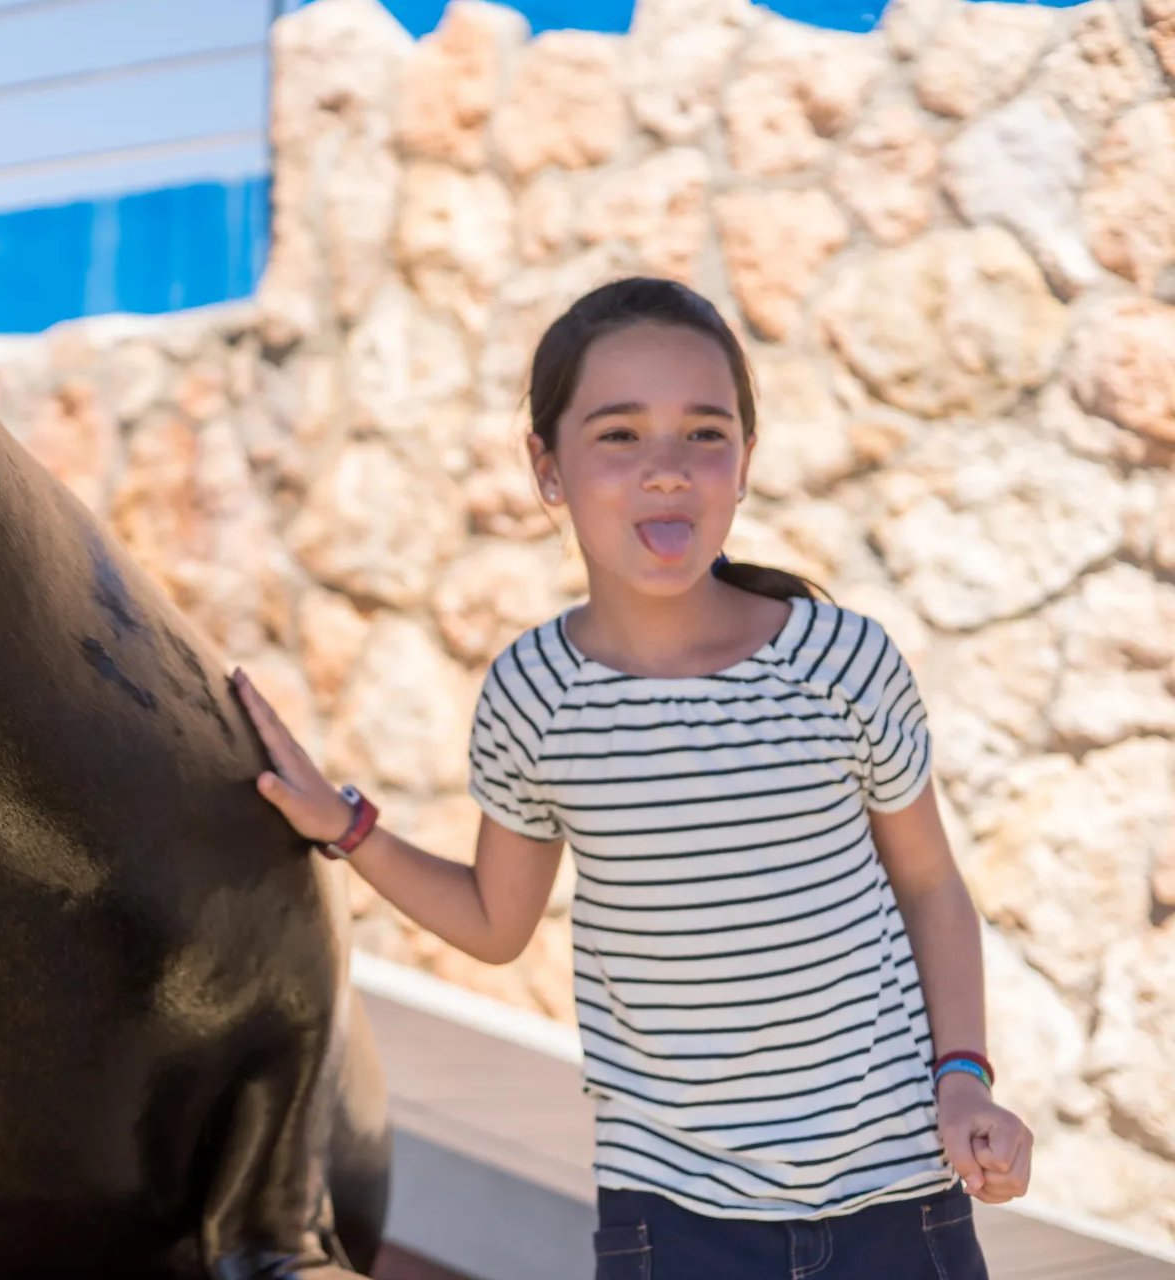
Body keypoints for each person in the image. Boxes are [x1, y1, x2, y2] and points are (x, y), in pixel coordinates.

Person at [230, 277, 1033, 1279]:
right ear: (546, 466)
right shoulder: (532, 693)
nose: (665, 470)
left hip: (894, 1197)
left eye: (704, 431)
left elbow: (927, 885)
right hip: (670, 1218)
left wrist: (963, 1079)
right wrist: (345, 827)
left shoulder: (840, 661)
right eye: (617, 434)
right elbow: (493, 921)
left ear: (744, 462)